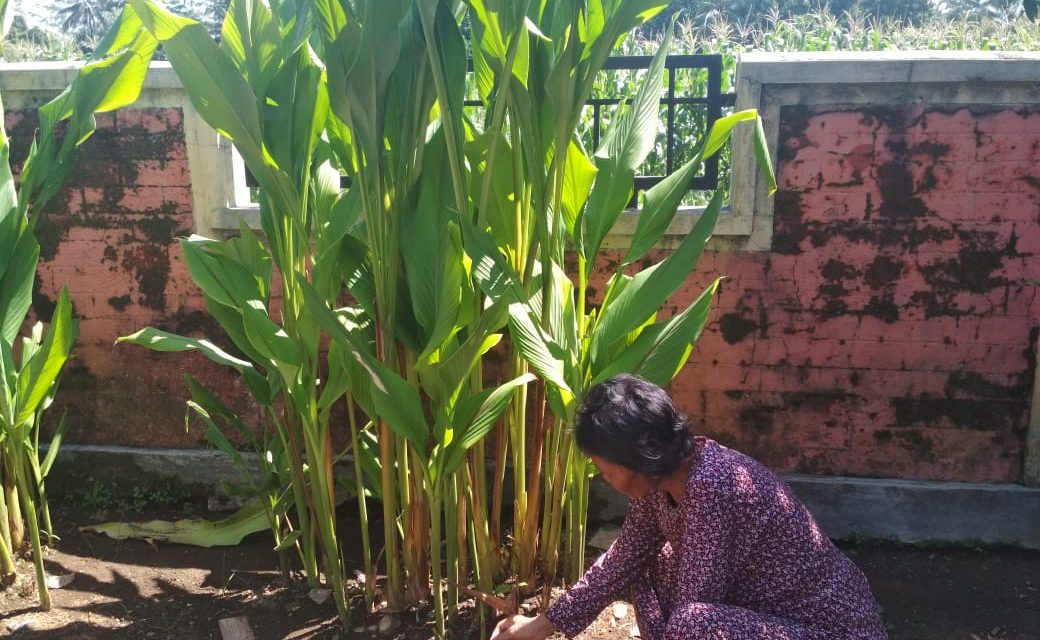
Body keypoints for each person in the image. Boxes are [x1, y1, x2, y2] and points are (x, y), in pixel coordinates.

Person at [491, 374, 888, 640]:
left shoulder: (712, 488)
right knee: (648, 564)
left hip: (827, 629)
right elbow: (623, 559)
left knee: (691, 624)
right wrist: (539, 626)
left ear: (637, 459)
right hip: (766, 614)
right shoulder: (661, 481)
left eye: (603, 468)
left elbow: (693, 617)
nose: (602, 477)